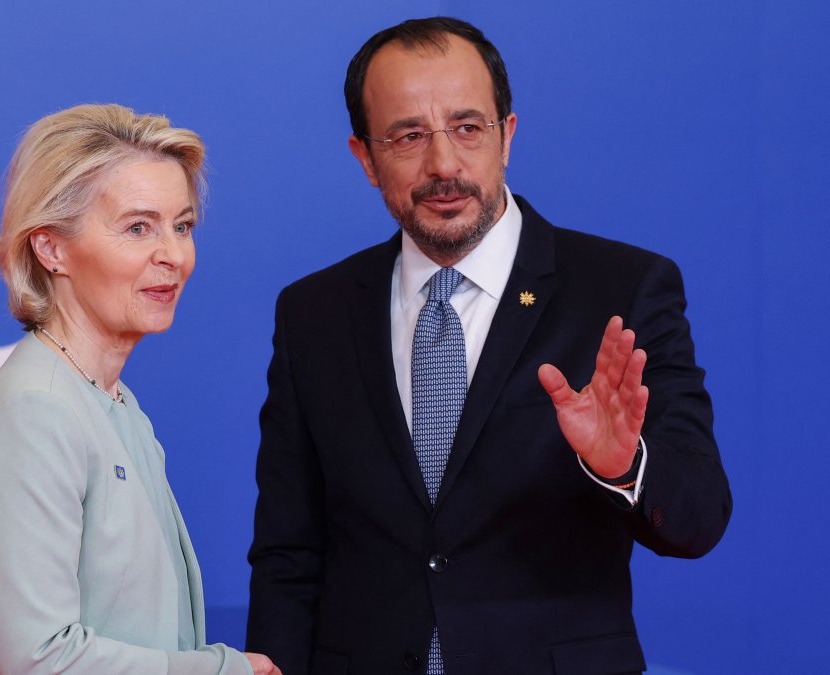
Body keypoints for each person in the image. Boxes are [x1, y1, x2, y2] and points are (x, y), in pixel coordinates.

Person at [245, 17, 731, 675]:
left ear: (507, 135)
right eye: (408, 136)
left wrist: (623, 465)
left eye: (468, 128)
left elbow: (700, 516)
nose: (443, 165)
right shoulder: (313, 312)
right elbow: (288, 552)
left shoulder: (622, 288)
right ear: (365, 157)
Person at [0, 104, 279, 675]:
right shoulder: (37, 409)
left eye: (183, 225)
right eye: (138, 227)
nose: (172, 254)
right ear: (51, 248)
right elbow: (36, 660)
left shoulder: (110, 400)